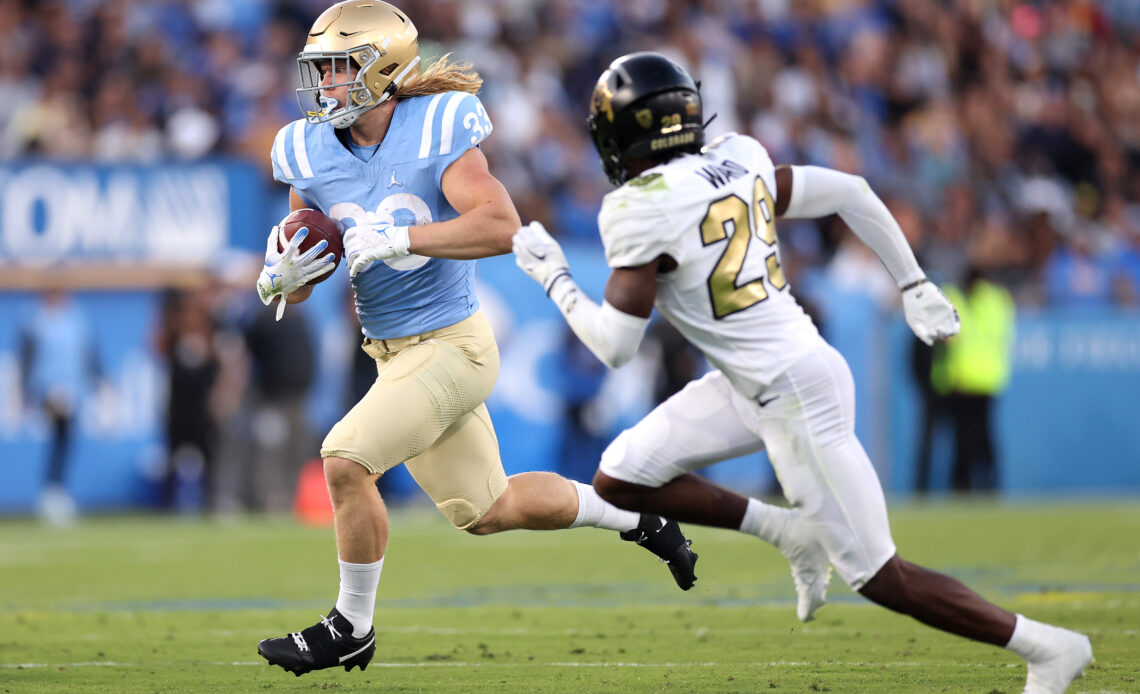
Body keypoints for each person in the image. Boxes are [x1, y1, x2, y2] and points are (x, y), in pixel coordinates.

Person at [512, 52, 1093, 694]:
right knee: (621, 479)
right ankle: (788, 530)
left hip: (793, 393)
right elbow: (853, 191)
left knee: (879, 576)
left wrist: (554, 277)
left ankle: (1047, 648)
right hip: (758, 377)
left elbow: (615, 349)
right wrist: (913, 281)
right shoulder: (739, 155)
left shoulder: (640, 208)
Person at [251, 3, 696, 677]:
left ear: (385, 71)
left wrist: (403, 236)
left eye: (341, 69)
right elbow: (313, 265)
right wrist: (284, 276)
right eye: (322, 71)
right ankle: (640, 516)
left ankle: (351, 626)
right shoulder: (307, 150)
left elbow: (499, 225)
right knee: (489, 509)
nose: (328, 86)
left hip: (453, 347)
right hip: (393, 354)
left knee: (344, 458)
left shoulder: (437, 125)